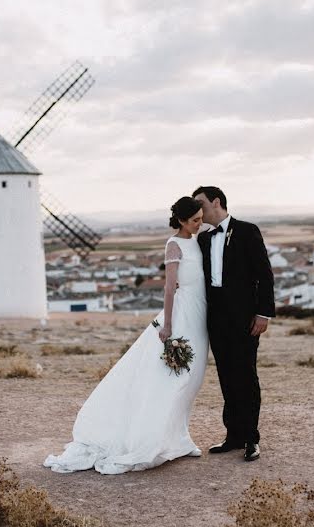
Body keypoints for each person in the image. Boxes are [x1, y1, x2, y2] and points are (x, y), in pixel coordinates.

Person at [44, 197, 209, 475]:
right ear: (181, 221)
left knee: (192, 380)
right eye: (194, 220)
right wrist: (167, 326)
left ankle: (179, 437)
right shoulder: (174, 245)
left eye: (201, 218)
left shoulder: (197, 240)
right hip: (182, 316)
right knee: (176, 379)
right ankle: (154, 439)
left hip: (200, 313)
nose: (200, 223)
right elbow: (169, 288)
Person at [192, 186, 274, 462]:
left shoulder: (247, 231)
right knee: (226, 377)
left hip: (245, 318)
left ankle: (251, 439)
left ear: (216, 202)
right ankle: (233, 436)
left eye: (201, 204)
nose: (198, 210)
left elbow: (265, 274)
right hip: (215, 320)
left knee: (246, 376)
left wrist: (264, 314)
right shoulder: (203, 239)